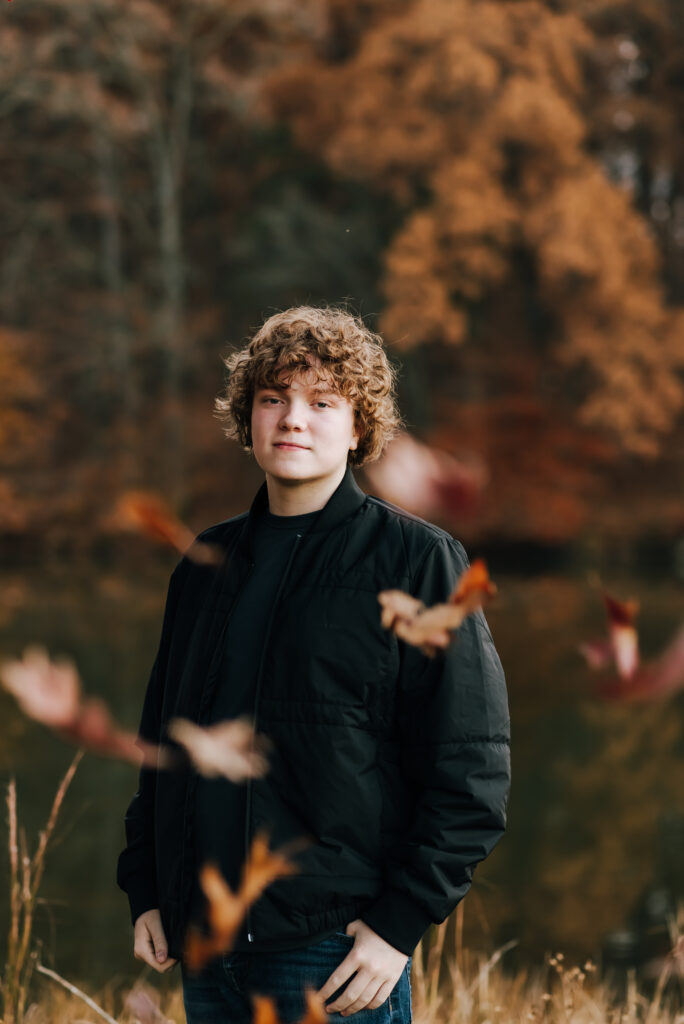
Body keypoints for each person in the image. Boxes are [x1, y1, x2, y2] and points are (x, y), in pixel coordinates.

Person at [117, 305, 511, 1024]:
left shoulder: (419, 561)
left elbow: (472, 772)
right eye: (273, 398)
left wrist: (399, 927)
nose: (292, 419)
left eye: (321, 402)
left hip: (332, 957)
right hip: (205, 949)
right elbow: (164, 747)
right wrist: (146, 886)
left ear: (359, 426)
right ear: (249, 419)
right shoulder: (206, 565)